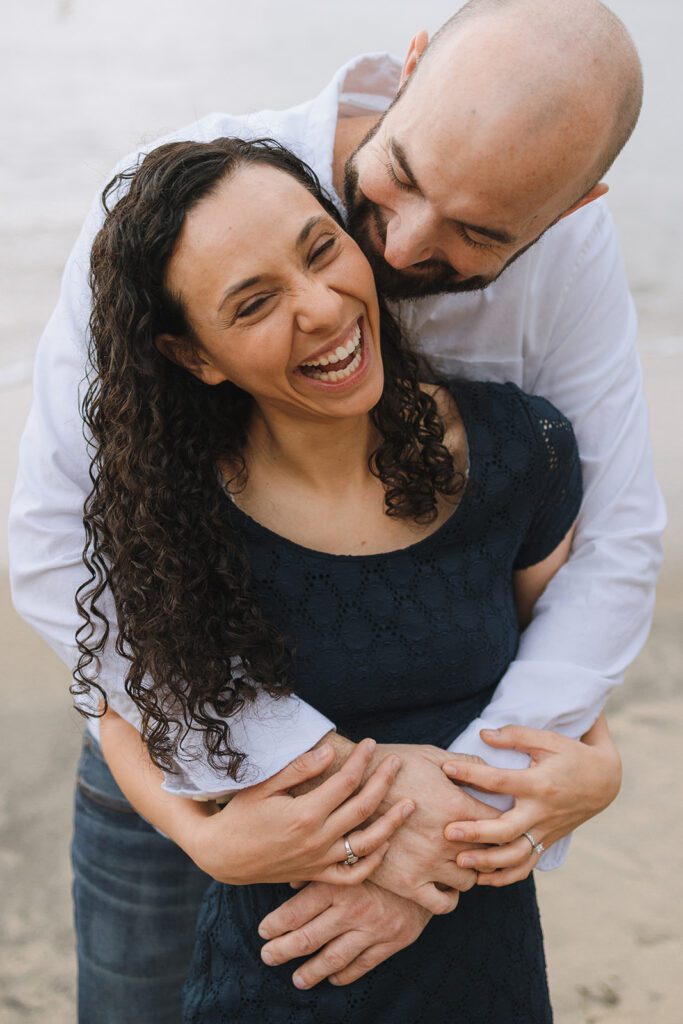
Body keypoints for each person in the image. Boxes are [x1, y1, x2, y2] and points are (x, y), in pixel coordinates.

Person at [7, 0, 662, 1018]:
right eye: (400, 179)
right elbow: (57, 549)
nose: (400, 243)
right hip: (193, 770)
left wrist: (469, 807)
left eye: (477, 235)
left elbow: (607, 542)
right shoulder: (173, 215)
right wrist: (312, 800)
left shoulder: (567, 262)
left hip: (453, 785)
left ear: (574, 205)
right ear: (404, 68)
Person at [86, 133, 594, 1022]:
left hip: (481, 967)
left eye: (321, 249)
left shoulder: (522, 452)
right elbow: (126, 717)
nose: (320, 309)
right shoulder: (174, 514)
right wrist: (200, 840)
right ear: (194, 356)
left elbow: (564, 676)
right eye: (253, 304)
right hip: (281, 968)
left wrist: (601, 770)